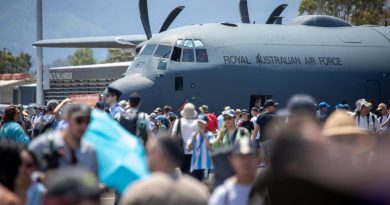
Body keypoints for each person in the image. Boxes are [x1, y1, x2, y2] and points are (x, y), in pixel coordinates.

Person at [122, 135, 209, 205]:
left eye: (148, 153)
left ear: (159, 154)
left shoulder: (139, 190)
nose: (146, 158)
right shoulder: (200, 192)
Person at [28, 103, 98, 175]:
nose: (84, 126)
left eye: (87, 122)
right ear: (67, 118)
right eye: (79, 120)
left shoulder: (90, 150)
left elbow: (91, 179)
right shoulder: (44, 144)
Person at [209, 137, 260, 205]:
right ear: (232, 160)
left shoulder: (270, 190)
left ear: (258, 158)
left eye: (250, 155)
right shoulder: (223, 195)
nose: (246, 161)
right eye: (241, 156)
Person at [172, 103, 198, 174]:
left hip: (182, 151)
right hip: (194, 152)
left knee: (184, 173)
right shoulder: (197, 123)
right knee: (193, 174)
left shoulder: (179, 121)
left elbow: (174, 135)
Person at [188, 114, 214, 181]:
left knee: (204, 185)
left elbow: (210, 148)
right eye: (199, 122)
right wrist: (193, 138)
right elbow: (189, 149)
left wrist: (204, 135)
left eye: (202, 123)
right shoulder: (193, 134)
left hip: (205, 165)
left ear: (206, 124)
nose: (200, 124)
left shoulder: (210, 135)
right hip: (195, 166)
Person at [252, 99, 278, 164]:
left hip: (262, 141)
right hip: (271, 141)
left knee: (265, 161)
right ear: (269, 107)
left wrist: (252, 142)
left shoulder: (260, 116)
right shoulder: (275, 116)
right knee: (271, 162)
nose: (275, 107)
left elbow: (255, 130)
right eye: (274, 106)